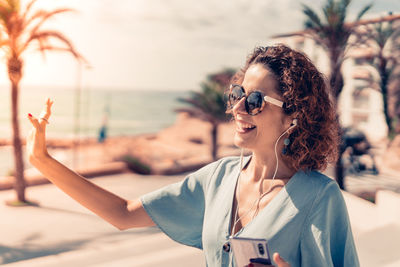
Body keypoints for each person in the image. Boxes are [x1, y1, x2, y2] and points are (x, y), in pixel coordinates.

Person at [26, 44, 359, 267]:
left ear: (292, 115)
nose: (238, 108)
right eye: (237, 94)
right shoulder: (217, 179)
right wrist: (43, 161)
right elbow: (122, 213)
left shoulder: (320, 198)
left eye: (255, 100)